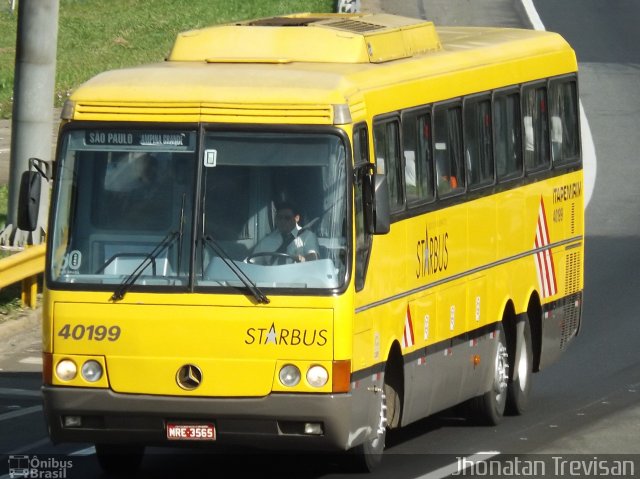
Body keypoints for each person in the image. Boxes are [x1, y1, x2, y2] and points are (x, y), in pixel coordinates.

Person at [250, 202, 319, 264]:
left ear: (297, 218)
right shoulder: (268, 240)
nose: (282, 221)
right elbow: (251, 262)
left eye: (287, 218)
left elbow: (313, 258)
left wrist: (303, 260)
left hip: (297, 277)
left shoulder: (307, 236)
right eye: (280, 218)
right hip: (271, 277)